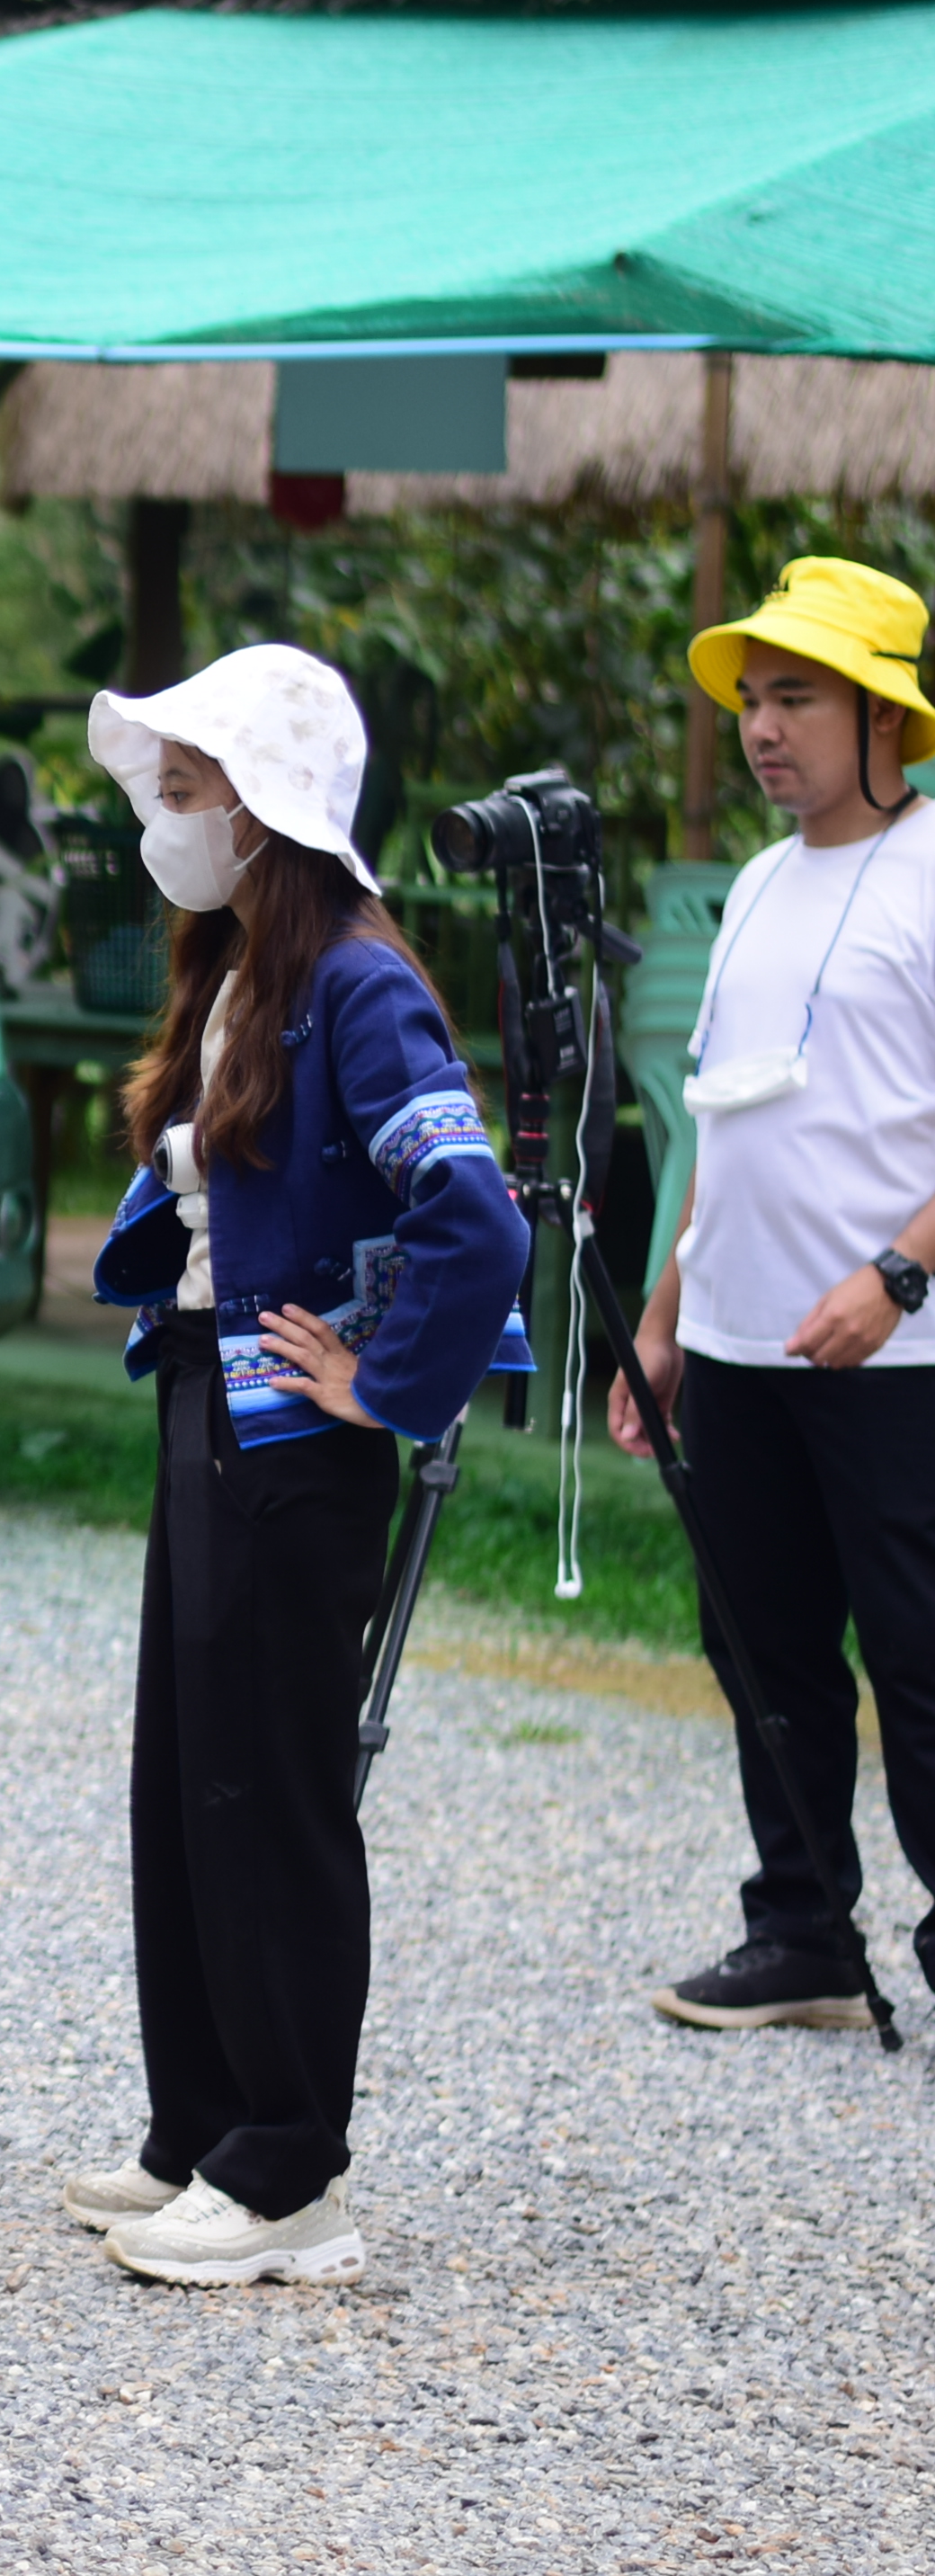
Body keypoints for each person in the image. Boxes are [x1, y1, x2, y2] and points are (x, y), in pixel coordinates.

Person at [69, 646, 528, 2288]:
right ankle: (198, 2133)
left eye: (192, 790)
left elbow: (478, 1219)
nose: (168, 818)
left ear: (269, 810)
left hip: (293, 1442)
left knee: (270, 1790)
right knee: (183, 1777)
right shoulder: (239, 968)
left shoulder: (354, 980)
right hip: (208, 1403)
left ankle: (289, 2176)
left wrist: (388, 1384)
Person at [610, 557, 935, 2033]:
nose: (761, 727)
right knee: (761, 1647)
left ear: (886, 717)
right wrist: (667, 1321)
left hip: (898, 1352)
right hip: (737, 1347)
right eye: (752, 699)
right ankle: (803, 1929)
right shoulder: (748, 885)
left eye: (795, 696)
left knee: (920, 1655)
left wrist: (901, 1274)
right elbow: (718, 1124)